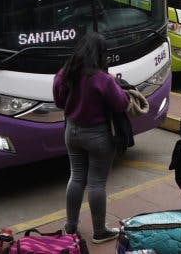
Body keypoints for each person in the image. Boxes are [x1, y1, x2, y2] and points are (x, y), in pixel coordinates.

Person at [52, 32, 129, 245]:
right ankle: (99, 231)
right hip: (98, 135)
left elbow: (59, 102)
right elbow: (121, 104)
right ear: (100, 54)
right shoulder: (102, 79)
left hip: (72, 131)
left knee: (76, 177)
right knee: (96, 183)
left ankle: (70, 227)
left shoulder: (65, 73)